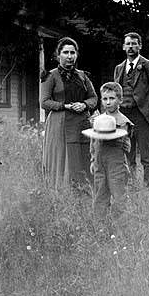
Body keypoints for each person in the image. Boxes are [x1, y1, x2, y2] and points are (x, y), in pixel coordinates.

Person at [41, 37, 98, 191]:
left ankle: (84, 191)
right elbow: (44, 102)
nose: (69, 56)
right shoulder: (50, 76)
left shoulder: (83, 76)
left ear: (77, 55)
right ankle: (63, 192)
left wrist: (84, 104)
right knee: (63, 157)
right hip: (60, 124)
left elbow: (94, 98)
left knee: (82, 157)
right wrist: (64, 105)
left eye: (73, 52)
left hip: (81, 124)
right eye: (65, 52)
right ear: (58, 55)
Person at [113, 32, 149, 193]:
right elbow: (116, 93)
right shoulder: (119, 68)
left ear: (140, 46)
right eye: (128, 44)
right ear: (123, 47)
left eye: (134, 43)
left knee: (148, 158)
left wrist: (148, 109)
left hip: (143, 117)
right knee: (127, 156)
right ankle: (130, 190)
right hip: (124, 117)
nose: (131, 47)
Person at [86, 82, 132, 216]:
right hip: (99, 162)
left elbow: (127, 145)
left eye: (112, 98)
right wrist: (93, 160)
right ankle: (100, 222)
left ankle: (120, 222)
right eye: (105, 99)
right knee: (100, 193)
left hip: (116, 163)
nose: (108, 102)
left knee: (119, 194)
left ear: (120, 100)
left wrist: (122, 140)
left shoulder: (123, 122)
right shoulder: (98, 120)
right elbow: (93, 142)